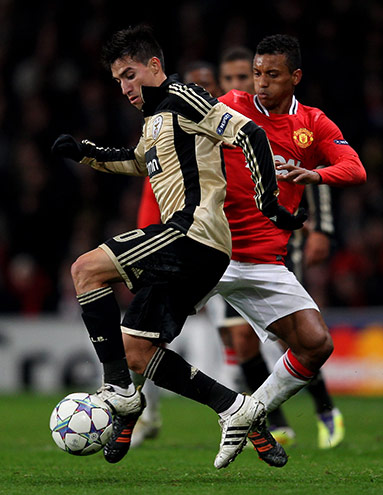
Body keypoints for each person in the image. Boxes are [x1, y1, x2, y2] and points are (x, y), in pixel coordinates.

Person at [51, 25, 302, 469]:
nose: (125, 87)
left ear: (153, 65)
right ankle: (234, 408)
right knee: (138, 351)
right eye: (117, 81)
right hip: (190, 248)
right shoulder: (154, 120)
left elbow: (250, 134)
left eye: (130, 74)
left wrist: (271, 205)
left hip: (194, 235)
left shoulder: (184, 97)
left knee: (85, 270)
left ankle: (118, 392)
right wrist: (84, 153)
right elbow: (137, 161)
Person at [195, 33, 366, 450]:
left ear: (295, 76)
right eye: (257, 74)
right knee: (148, 334)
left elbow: (354, 167)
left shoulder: (312, 123)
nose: (261, 83)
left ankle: (255, 412)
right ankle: (121, 405)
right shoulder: (232, 106)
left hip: (266, 259)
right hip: (211, 250)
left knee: (314, 342)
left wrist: (317, 175)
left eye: (272, 75)